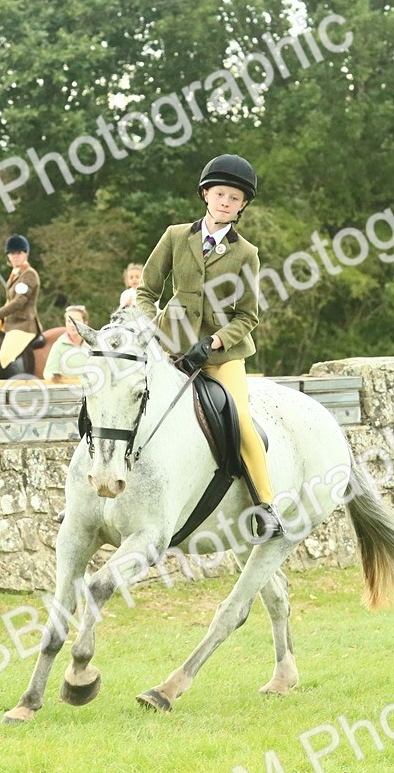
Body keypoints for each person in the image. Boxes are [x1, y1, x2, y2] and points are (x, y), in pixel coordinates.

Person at [135, 153, 283, 540]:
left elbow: (248, 316)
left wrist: (214, 341)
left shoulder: (246, 254)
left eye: (234, 198)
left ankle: (265, 505)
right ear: (205, 194)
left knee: (241, 421)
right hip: (170, 347)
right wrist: (151, 327)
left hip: (221, 355)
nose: (225, 202)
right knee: (128, 398)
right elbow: (146, 291)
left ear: (242, 205)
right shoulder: (175, 236)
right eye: (220, 194)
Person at [0, 234, 45, 370]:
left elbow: (18, 302)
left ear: (26, 254)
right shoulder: (14, 275)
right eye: (12, 253)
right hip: (10, 324)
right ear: (8, 256)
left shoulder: (29, 275)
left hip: (23, 326)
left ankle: (19, 381)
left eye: (19, 253)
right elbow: (8, 302)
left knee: (5, 356)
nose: (15, 257)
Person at [43, 305, 91, 382]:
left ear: (85, 323)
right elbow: (49, 372)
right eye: (69, 321)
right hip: (68, 388)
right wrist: (55, 378)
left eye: (77, 321)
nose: (72, 325)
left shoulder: (93, 345)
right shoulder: (59, 345)